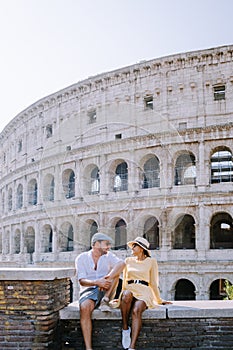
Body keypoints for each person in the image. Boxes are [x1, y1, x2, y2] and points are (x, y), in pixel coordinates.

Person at [75, 232, 125, 350]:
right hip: (89, 289)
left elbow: (122, 263)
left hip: (107, 289)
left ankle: (105, 300)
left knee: (115, 273)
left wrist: (105, 279)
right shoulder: (81, 258)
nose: (109, 247)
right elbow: (82, 281)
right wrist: (97, 282)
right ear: (96, 244)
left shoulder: (109, 256)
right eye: (106, 244)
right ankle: (88, 348)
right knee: (85, 308)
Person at [120, 236, 171, 350]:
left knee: (137, 310)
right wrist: (121, 297)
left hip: (144, 290)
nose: (132, 248)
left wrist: (158, 300)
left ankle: (132, 346)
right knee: (126, 295)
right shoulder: (128, 260)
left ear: (142, 248)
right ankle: (125, 328)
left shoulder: (151, 261)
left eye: (135, 246)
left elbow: (153, 282)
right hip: (130, 288)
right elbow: (125, 279)